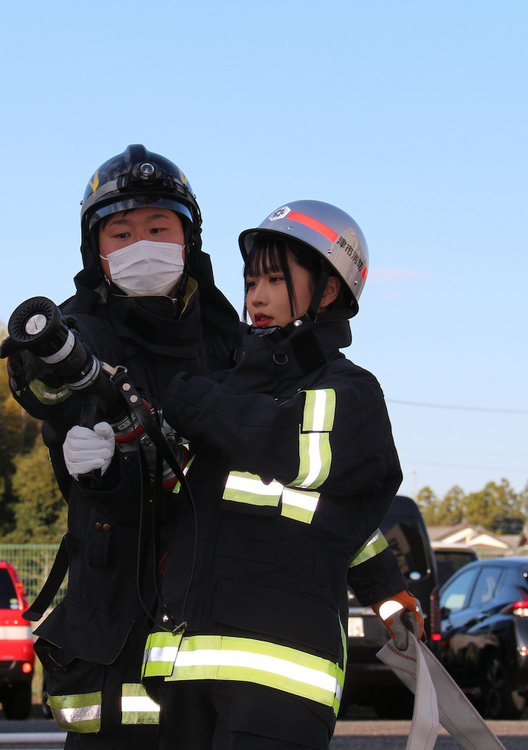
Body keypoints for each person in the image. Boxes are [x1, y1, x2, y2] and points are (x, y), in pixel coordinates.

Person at [141, 200, 421, 749]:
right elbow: (321, 515)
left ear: (330, 290)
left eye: (274, 278)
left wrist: (190, 398)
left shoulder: (351, 394)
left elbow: (287, 448)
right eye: (250, 281)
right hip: (187, 671)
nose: (257, 297)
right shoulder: (226, 391)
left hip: (283, 681)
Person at [2, 144, 243, 748]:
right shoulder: (77, 332)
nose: (142, 245)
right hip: (114, 623)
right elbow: (52, 404)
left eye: (159, 226)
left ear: (189, 238)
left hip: (219, 615)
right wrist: (101, 472)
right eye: (122, 231)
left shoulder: (230, 336)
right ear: (96, 248)